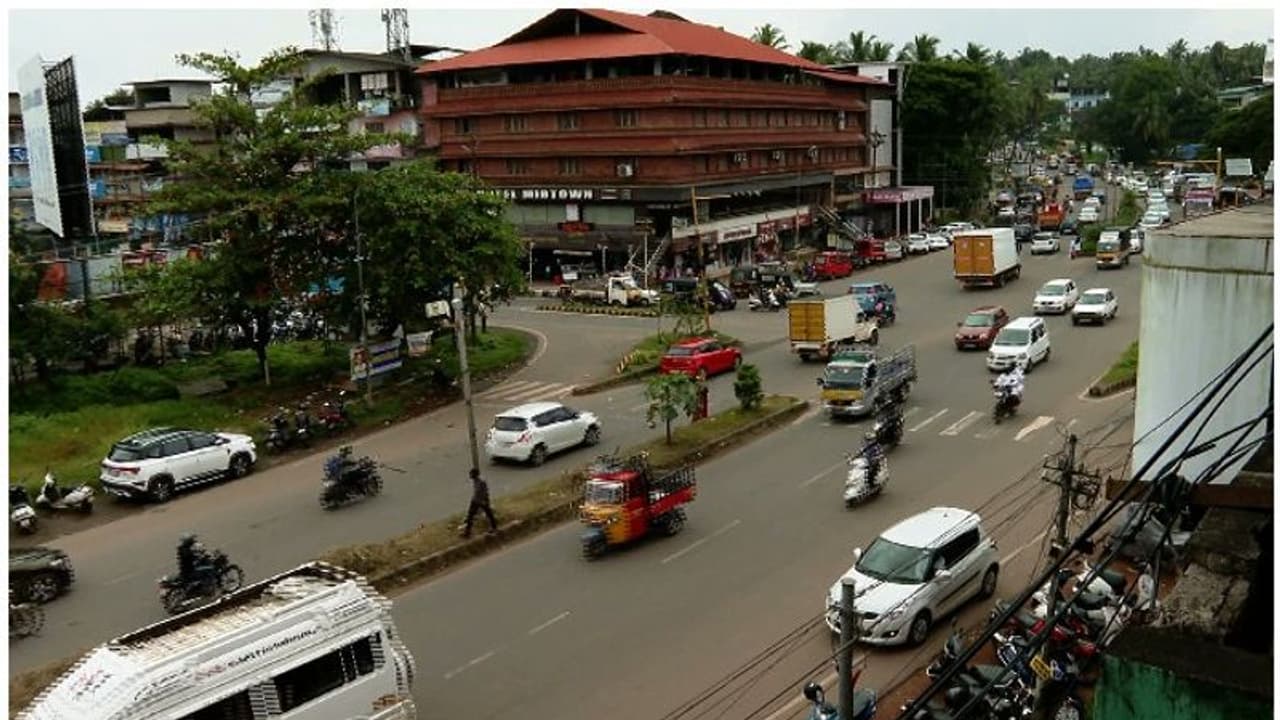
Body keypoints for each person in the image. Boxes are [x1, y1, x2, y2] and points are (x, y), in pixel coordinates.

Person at [462, 468, 498, 538]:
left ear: (475, 475)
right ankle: (467, 531)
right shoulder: (475, 481)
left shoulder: (482, 482)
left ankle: (494, 528)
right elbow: (476, 491)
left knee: (489, 514)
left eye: (471, 474)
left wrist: (484, 501)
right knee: (470, 515)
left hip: (482, 501)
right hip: (475, 500)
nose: (470, 475)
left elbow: (485, 492)